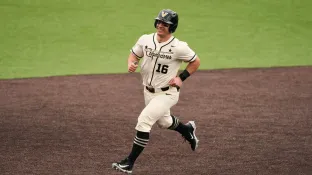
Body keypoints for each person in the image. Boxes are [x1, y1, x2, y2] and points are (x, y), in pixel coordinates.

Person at [112, 8, 201, 174]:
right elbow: (133, 55)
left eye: (165, 23)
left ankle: (129, 163)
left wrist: (181, 78)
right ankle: (187, 129)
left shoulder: (178, 47)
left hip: (167, 93)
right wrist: (131, 63)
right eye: (159, 21)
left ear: (172, 26)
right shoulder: (145, 39)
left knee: (144, 121)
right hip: (148, 92)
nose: (160, 25)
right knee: (164, 122)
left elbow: (196, 61)